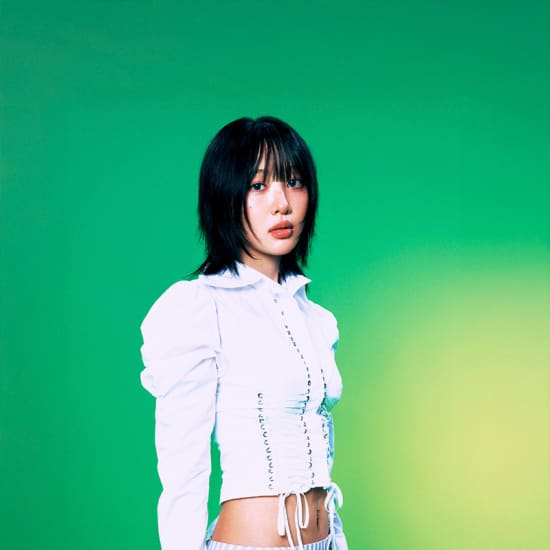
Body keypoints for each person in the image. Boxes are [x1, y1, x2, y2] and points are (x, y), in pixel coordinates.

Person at [139, 116, 348, 550]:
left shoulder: (317, 319)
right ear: (225, 196)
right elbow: (183, 468)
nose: (281, 203)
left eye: (294, 182)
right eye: (258, 186)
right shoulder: (198, 307)